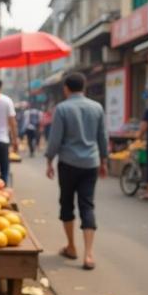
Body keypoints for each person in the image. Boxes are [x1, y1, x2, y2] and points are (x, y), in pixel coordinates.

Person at [45, 72, 107, 271]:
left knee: (67, 204)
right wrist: (104, 160)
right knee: (87, 205)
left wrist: (49, 160)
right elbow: (102, 137)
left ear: (66, 89)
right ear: (84, 87)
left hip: (69, 163)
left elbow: (55, 139)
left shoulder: (62, 108)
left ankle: (71, 247)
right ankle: (89, 255)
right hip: (91, 163)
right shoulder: (97, 107)